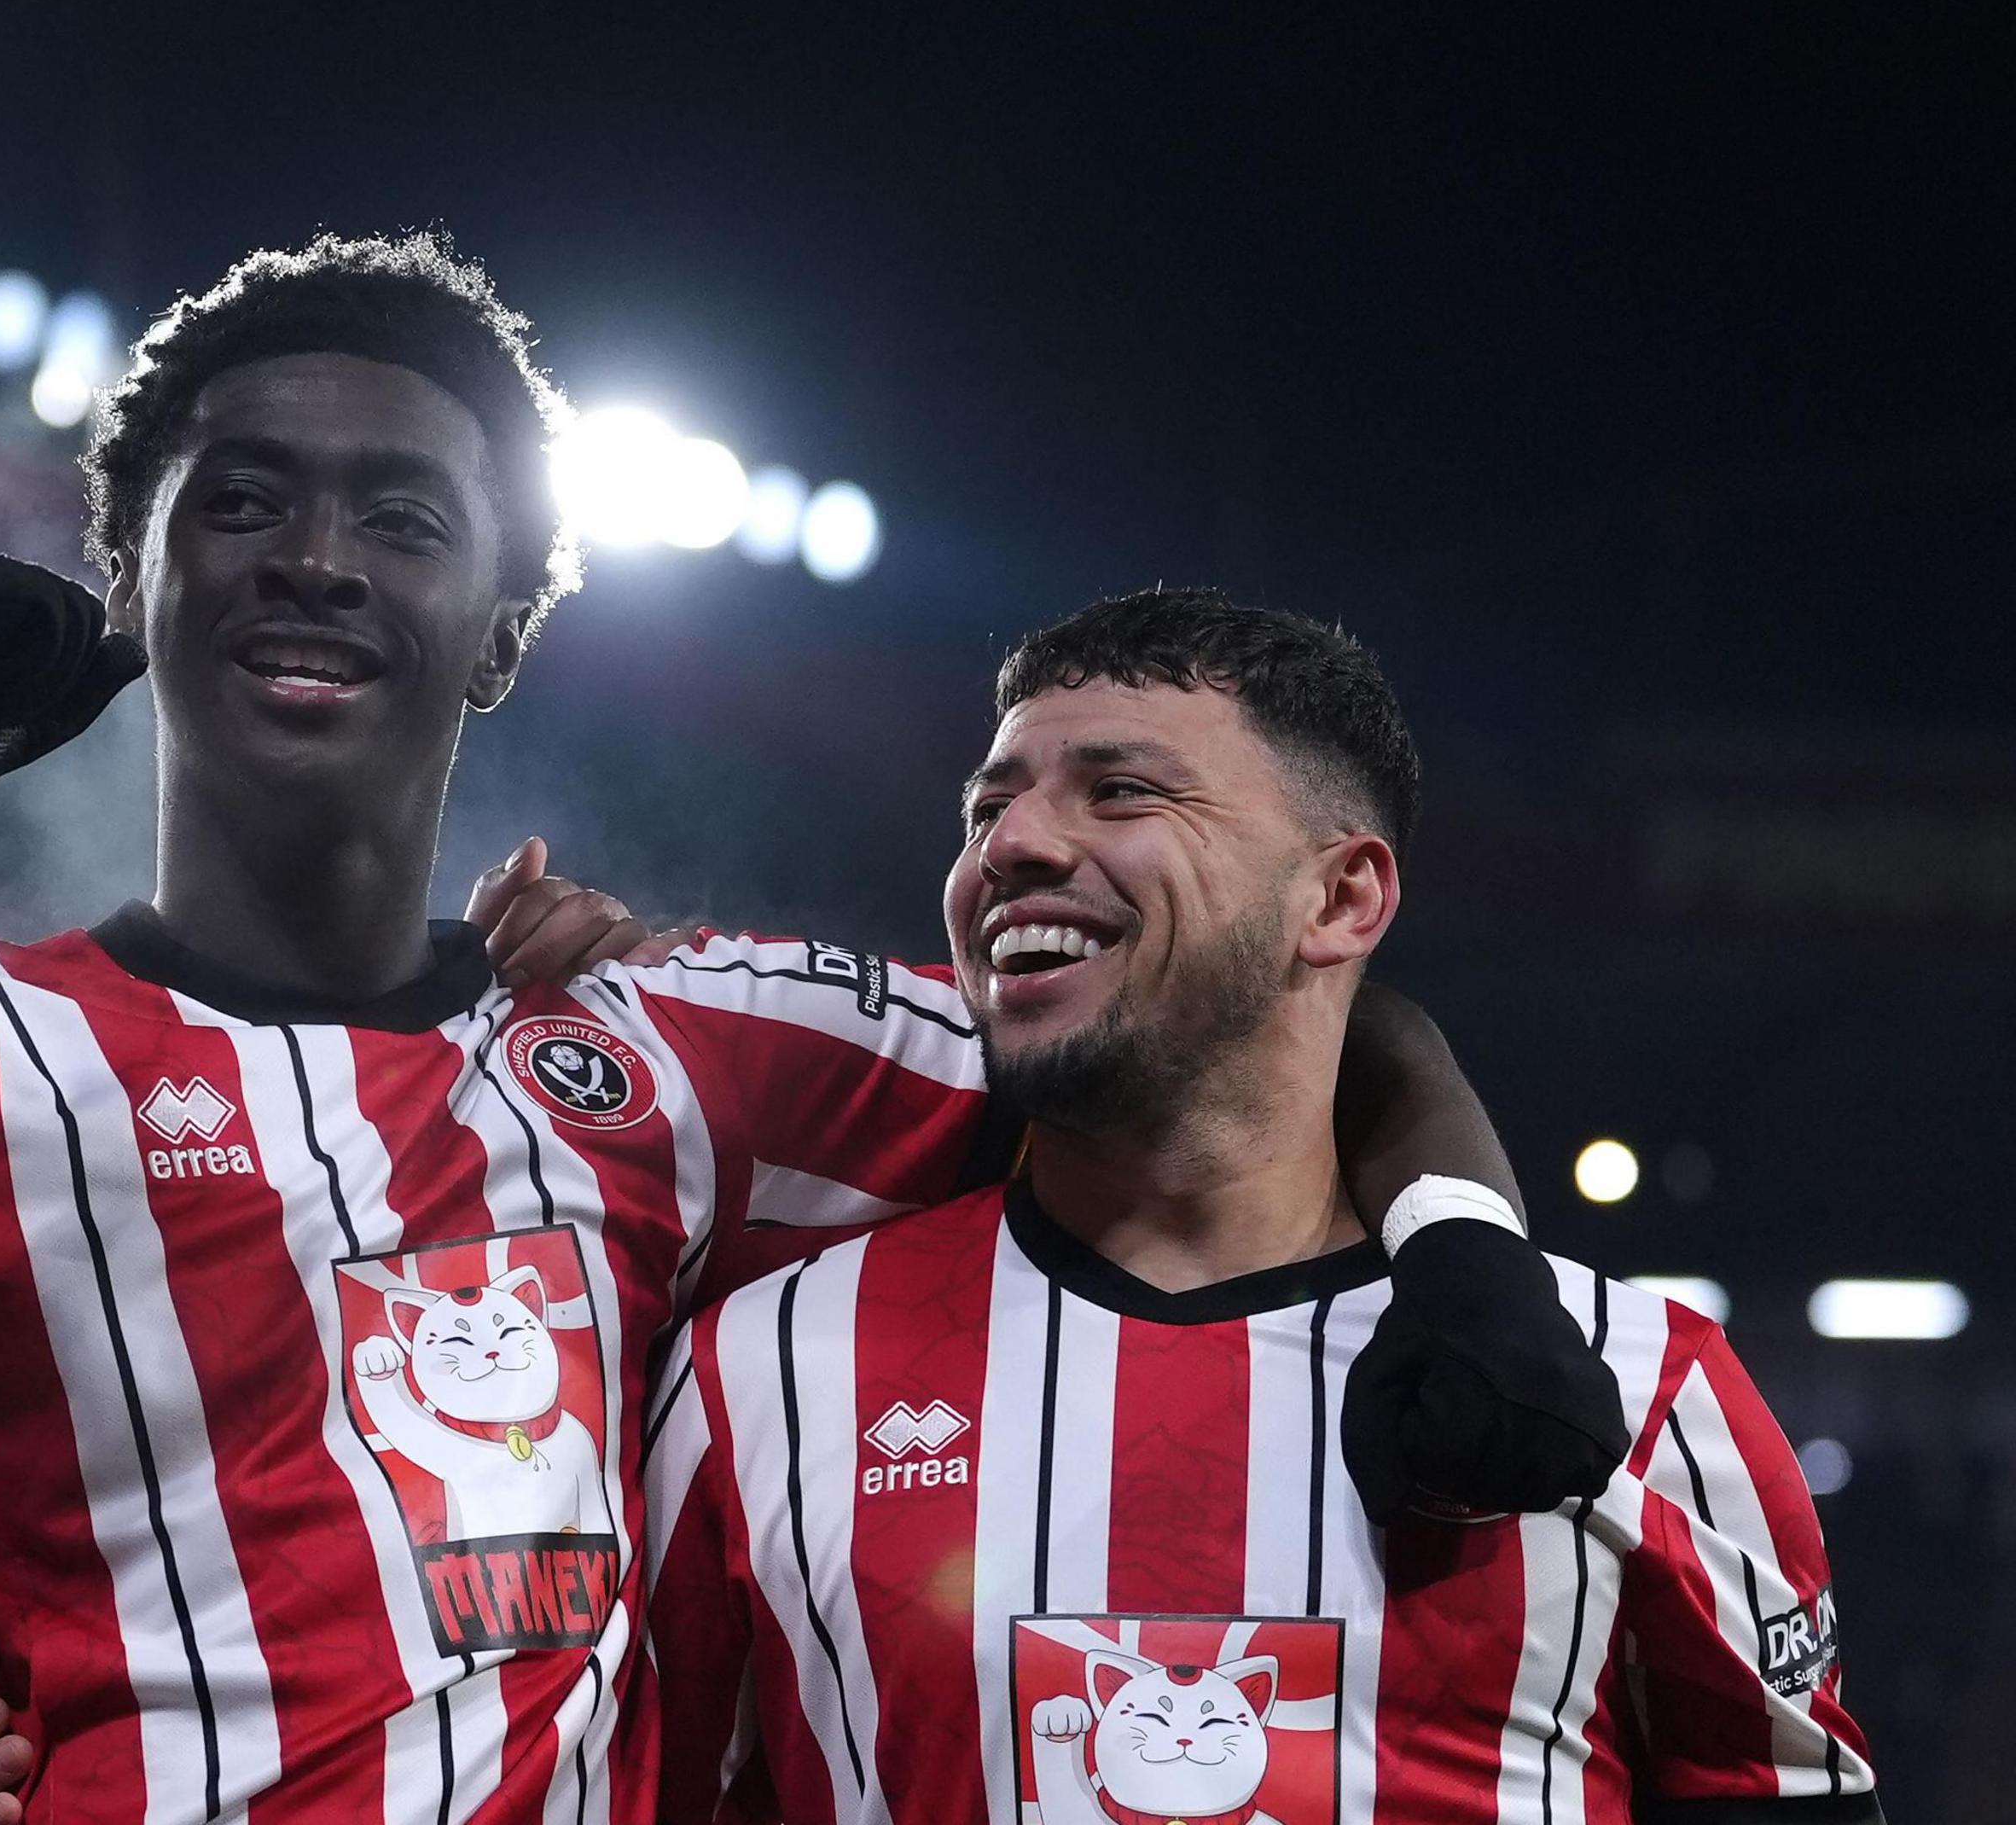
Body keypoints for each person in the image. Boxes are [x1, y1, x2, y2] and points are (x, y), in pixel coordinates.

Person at [0, 234, 1618, 1825]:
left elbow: (1287, 1015)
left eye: (400, 516)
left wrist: (1464, 1253)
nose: (314, 557)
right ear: (137, 591)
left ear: (505, 630)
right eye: (236, 506)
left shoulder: (682, 1042)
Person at [642, 592, 1879, 1824]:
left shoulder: (1646, 1386)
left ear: (1341, 900)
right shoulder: (765, 1373)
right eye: (987, 805)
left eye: (1120, 791)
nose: (1009, 844)